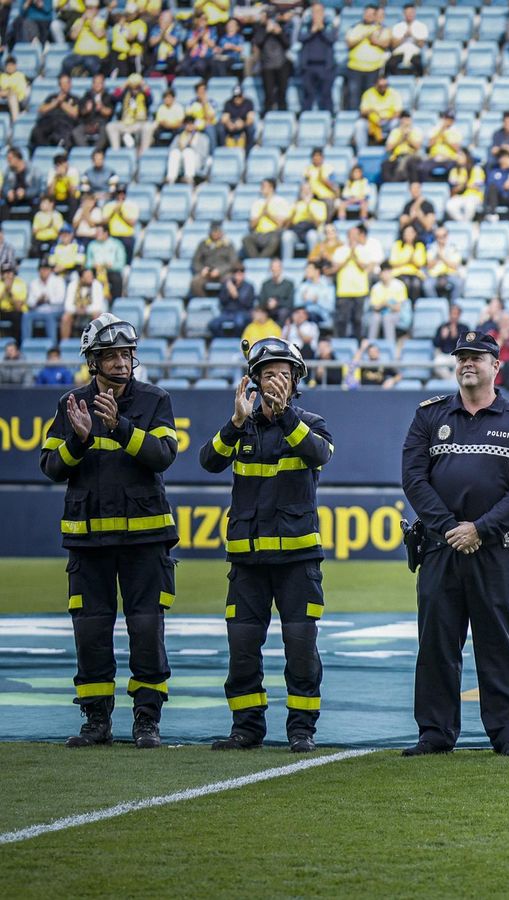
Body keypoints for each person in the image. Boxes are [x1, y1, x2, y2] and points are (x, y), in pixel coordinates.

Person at [400, 330, 509, 757]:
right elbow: (413, 478)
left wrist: (480, 529)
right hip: (441, 547)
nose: (467, 363)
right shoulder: (429, 415)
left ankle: (507, 733)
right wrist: (450, 527)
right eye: (461, 357)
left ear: (495, 366)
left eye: (477, 357)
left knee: (498, 644)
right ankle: (435, 732)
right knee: (437, 643)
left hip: (496, 549)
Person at [40, 314, 179, 750]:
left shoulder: (155, 399)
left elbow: (162, 455)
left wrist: (120, 427)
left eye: (126, 354)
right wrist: (78, 441)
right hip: (89, 542)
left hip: (145, 540)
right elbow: (50, 466)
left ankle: (146, 720)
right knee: (91, 632)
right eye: (111, 355)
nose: (121, 362)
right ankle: (96, 720)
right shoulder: (71, 404)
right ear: (93, 360)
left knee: (145, 629)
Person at [197, 339, 332, 752]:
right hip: (248, 562)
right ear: (253, 381)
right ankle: (247, 727)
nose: (276, 380)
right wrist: (235, 423)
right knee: (241, 650)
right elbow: (209, 461)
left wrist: (286, 416)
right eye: (268, 373)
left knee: (301, 651)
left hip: (297, 562)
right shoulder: (242, 427)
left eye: (283, 374)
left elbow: (318, 453)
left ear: (295, 383)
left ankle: (301, 730)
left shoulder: (311, 423)